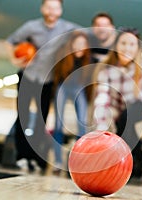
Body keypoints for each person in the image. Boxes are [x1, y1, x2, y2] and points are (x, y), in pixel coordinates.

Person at [5, 0, 81, 173]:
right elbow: (10, 41)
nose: (52, 10)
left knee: (42, 119)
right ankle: (22, 157)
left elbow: (85, 35)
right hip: (27, 76)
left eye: (56, 7)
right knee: (22, 116)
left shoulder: (67, 28)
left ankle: (35, 158)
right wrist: (14, 59)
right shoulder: (31, 27)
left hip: (48, 81)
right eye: (48, 6)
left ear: (60, 10)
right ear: (42, 8)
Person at [92, 27, 142, 179]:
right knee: (123, 130)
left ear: (137, 48)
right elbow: (102, 99)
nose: (127, 48)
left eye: (132, 44)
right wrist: (100, 130)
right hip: (122, 109)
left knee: (125, 120)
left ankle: (135, 165)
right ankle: (141, 165)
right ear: (116, 45)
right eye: (123, 43)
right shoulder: (106, 71)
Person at [52, 31, 98, 174]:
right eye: (77, 44)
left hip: (79, 89)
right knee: (58, 124)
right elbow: (57, 76)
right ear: (71, 45)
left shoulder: (89, 61)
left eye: (82, 44)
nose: (79, 47)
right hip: (63, 86)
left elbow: (90, 83)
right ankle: (58, 160)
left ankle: (77, 161)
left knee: (82, 123)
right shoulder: (63, 58)